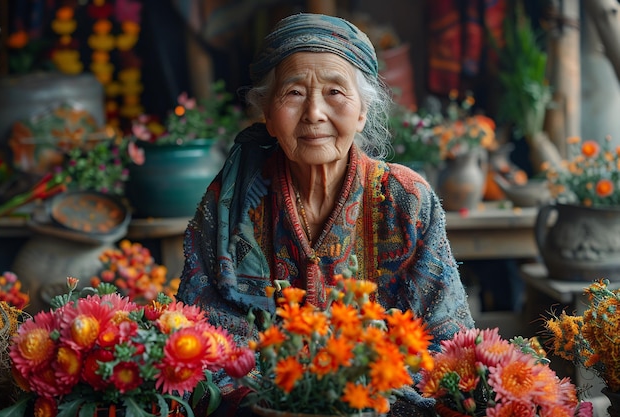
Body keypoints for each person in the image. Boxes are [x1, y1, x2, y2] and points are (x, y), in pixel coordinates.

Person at [176, 12, 474, 417]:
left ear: (362, 111)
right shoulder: (228, 205)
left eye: (335, 92)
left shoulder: (405, 200)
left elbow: (447, 343)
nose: (314, 113)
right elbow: (207, 342)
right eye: (294, 93)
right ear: (268, 113)